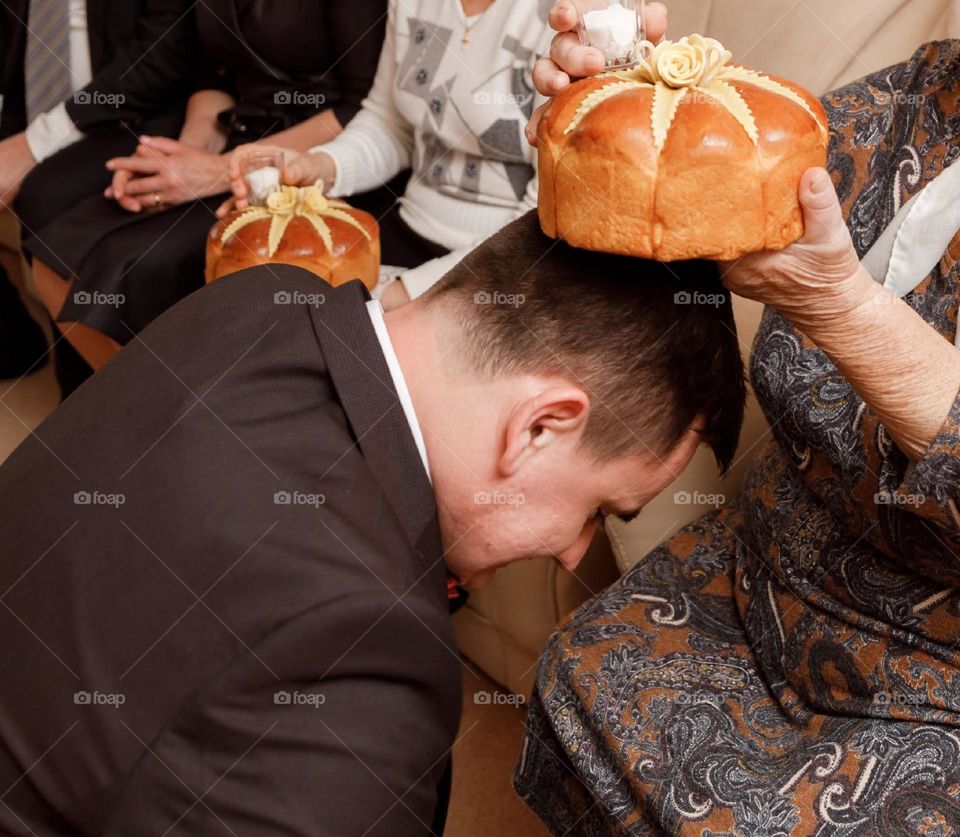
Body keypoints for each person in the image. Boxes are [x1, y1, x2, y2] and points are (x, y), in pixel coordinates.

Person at [0, 210, 745, 833]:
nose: (571, 551)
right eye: (596, 510)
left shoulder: (264, 295)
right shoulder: (367, 659)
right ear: (541, 426)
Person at [515, 7, 960, 833]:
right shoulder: (924, 95)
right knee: (580, 668)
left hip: (926, 681)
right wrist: (617, 108)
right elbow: (711, 179)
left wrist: (842, 306)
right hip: (760, 565)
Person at [20, 0, 386, 395]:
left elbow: (360, 108)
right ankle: (137, 420)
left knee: (127, 265)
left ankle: (166, 431)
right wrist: (181, 159)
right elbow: (212, 74)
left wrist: (219, 171)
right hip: (236, 138)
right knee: (53, 256)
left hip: (310, 162)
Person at [226, 0, 668, 308]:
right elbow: (388, 122)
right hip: (405, 230)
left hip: (514, 264)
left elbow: (549, 210)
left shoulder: (576, 17)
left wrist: (411, 292)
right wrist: (319, 166)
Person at [0, 0, 196, 381]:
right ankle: (13, 340)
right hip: (29, 109)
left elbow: (161, 58)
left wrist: (32, 146)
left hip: (132, 113)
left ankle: (80, 392)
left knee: (46, 194)